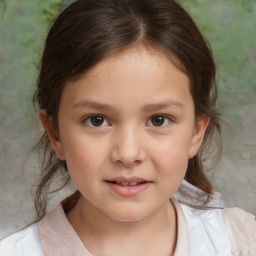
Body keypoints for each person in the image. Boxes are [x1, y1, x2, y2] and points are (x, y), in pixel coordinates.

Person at [0, 0, 255, 255]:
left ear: (196, 132)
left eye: (158, 120)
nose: (128, 153)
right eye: (97, 120)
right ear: (55, 133)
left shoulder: (239, 243)